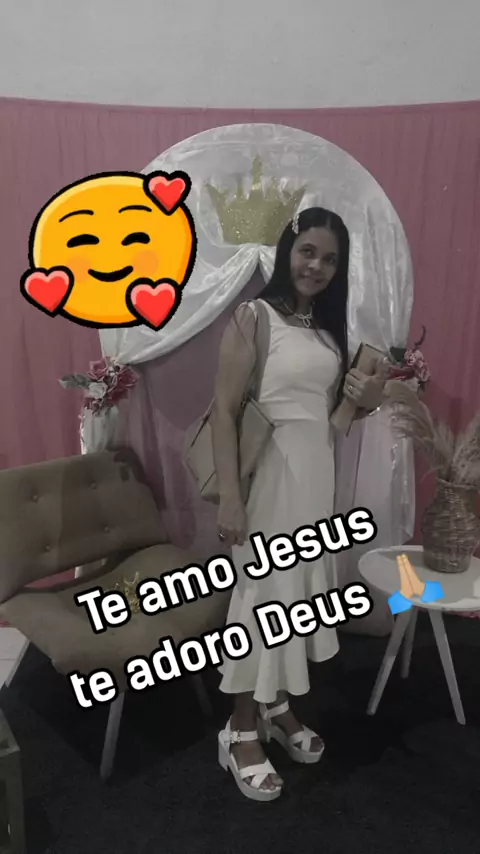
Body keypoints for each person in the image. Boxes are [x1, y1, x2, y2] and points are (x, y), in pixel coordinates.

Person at [211, 207, 387, 801]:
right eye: (308, 251)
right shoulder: (253, 317)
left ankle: (277, 704)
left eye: (330, 259)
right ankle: (239, 730)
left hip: (315, 484)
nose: (317, 265)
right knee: (262, 602)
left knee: (296, 602)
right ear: (288, 250)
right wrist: (230, 498)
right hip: (267, 484)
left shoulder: (326, 331)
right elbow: (223, 413)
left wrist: (368, 397)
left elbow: (332, 421)